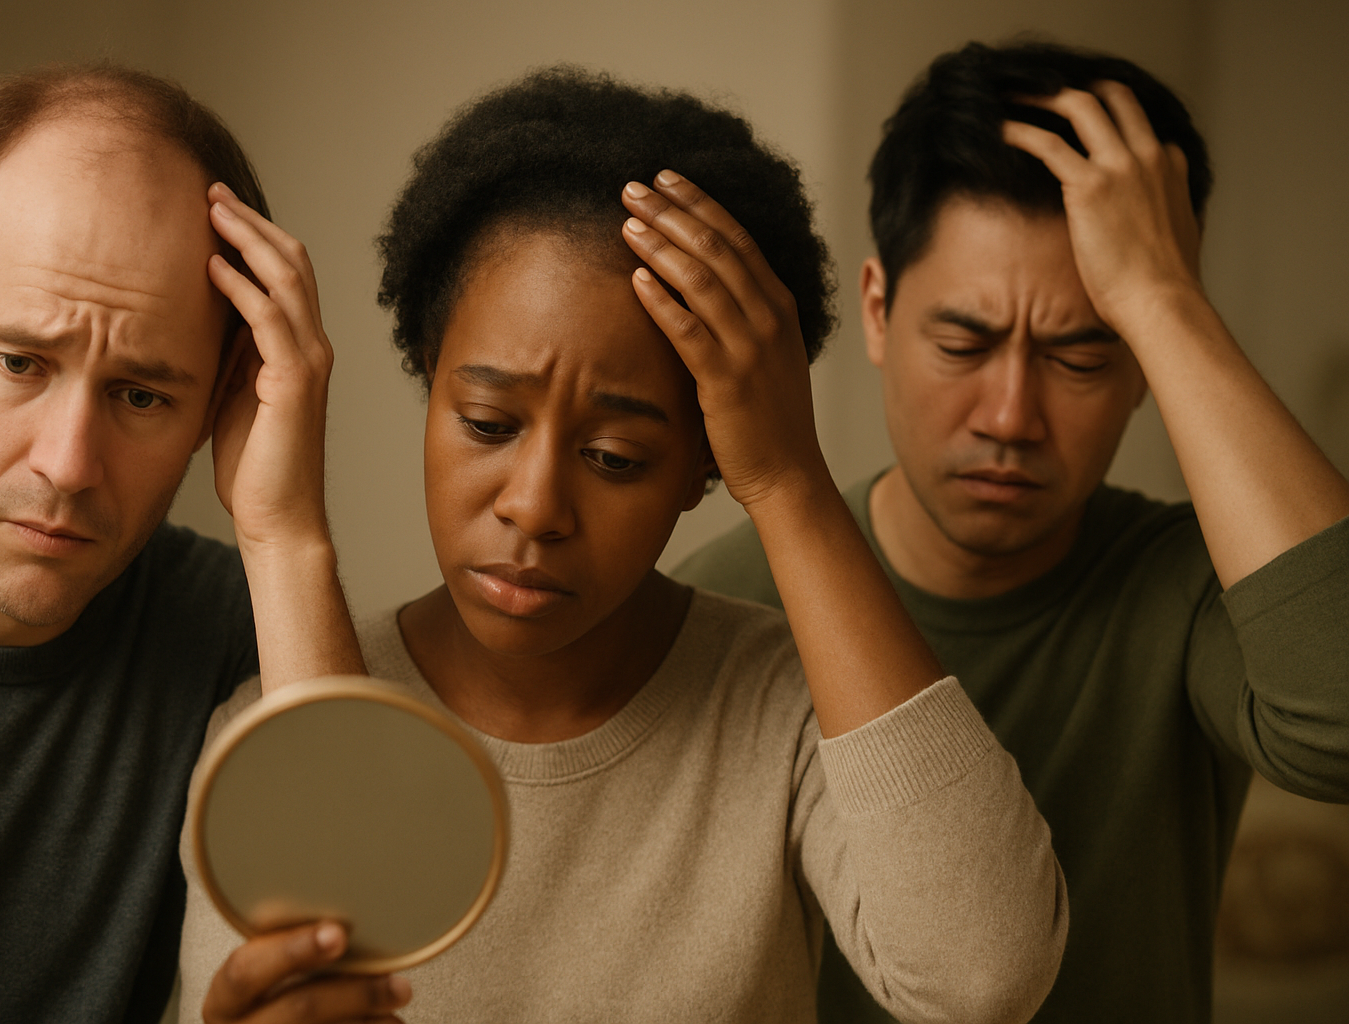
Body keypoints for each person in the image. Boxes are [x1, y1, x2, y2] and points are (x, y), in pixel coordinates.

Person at [177, 67, 1068, 1024]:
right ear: (429, 387)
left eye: (615, 455)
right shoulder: (269, 723)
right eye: (485, 423)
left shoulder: (790, 713)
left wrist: (790, 481)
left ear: (703, 464)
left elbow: (985, 979)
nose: (534, 506)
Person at [673, 40, 1349, 1023]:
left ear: (1147, 362)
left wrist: (1163, 298)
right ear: (876, 310)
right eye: (963, 342)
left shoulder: (1191, 590)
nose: (1010, 415)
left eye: (1083, 352)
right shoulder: (728, 599)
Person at [0, 63, 362, 1022]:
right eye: (22, 362)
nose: (69, 465)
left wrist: (287, 534)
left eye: (143, 395)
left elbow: (365, 941)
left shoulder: (233, 631)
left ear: (220, 401)